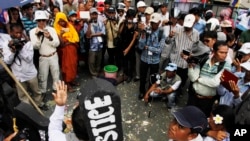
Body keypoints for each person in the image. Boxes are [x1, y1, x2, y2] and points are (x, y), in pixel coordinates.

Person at [4, 23, 48, 110]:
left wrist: (21, 49)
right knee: (22, 94)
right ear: (11, 32)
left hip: (30, 73)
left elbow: (28, 58)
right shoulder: (7, 44)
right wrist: (13, 51)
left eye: (20, 33)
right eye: (16, 33)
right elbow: (7, 61)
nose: (18, 35)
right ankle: (28, 109)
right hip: (18, 75)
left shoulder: (27, 43)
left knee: (36, 91)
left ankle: (38, 104)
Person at [187, 41, 231, 117]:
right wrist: (190, 67)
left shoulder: (226, 66)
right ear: (214, 51)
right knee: (187, 117)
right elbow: (193, 78)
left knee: (200, 121)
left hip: (207, 101)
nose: (224, 55)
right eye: (221, 52)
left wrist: (199, 79)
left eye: (226, 53)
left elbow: (215, 83)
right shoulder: (204, 60)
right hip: (193, 97)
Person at [29, 10, 60, 97]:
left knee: (56, 75)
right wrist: (38, 37)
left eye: (43, 20)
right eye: (39, 20)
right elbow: (35, 47)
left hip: (53, 55)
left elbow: (57, 44)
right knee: (43, 76)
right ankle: (43, 93)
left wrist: (50, 37)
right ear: (36, 21)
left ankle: (56, 91)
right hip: (43, 57)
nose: (41, 22)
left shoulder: (52, 29)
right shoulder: (32, 32)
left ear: (46, 20)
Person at [165, 14, 199, 90]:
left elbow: (196, 49)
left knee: (182, 80)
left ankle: (178, 92)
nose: (187, 27)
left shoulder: (196, 34)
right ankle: (168, 94)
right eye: (186, 25)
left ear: (194, 23)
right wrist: (169, 37)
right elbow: (167, 42)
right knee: (171, 79)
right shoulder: (177, 29)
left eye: (189, 26)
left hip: (186, 64)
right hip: (175, 61)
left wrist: (191, 55)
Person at [138, 12, 166, 99]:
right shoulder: (146, 31)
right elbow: (140, 46)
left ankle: (149, 93)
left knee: (152, 78)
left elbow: (159, 50)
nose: (153, 24)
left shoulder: (162, 34)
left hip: (155, 61)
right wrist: (142, 33)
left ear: (159, 22)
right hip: (144, 59)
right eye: (152, 22)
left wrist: (148, 47)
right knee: (142, 77)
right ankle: (142, 91)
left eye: (155, 22)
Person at [54, 12, 79, 92]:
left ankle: (72, 80)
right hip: (64, 51)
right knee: (66, 67)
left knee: (73, 65)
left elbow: (76, 37)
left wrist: (70, 41)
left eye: (63, 20)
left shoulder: (70, 26)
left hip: (72, 49)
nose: (62, 23)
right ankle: (67, 84)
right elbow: (59, 43)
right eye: (60, 21)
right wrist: (61, 35)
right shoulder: (56, 29)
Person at [83, 7, 106, 77]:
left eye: (95, 14)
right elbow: (87, 35)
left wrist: (93, 35)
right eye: (92, 14)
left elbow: (103, 32)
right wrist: (89, 24)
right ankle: (93, 73)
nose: (94, 16)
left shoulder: (100, 23)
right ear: (90, 15)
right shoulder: (86, 24)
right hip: (92, 46)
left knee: (99, 60)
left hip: (100, 45)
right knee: (91, 61)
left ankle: (97, 71)